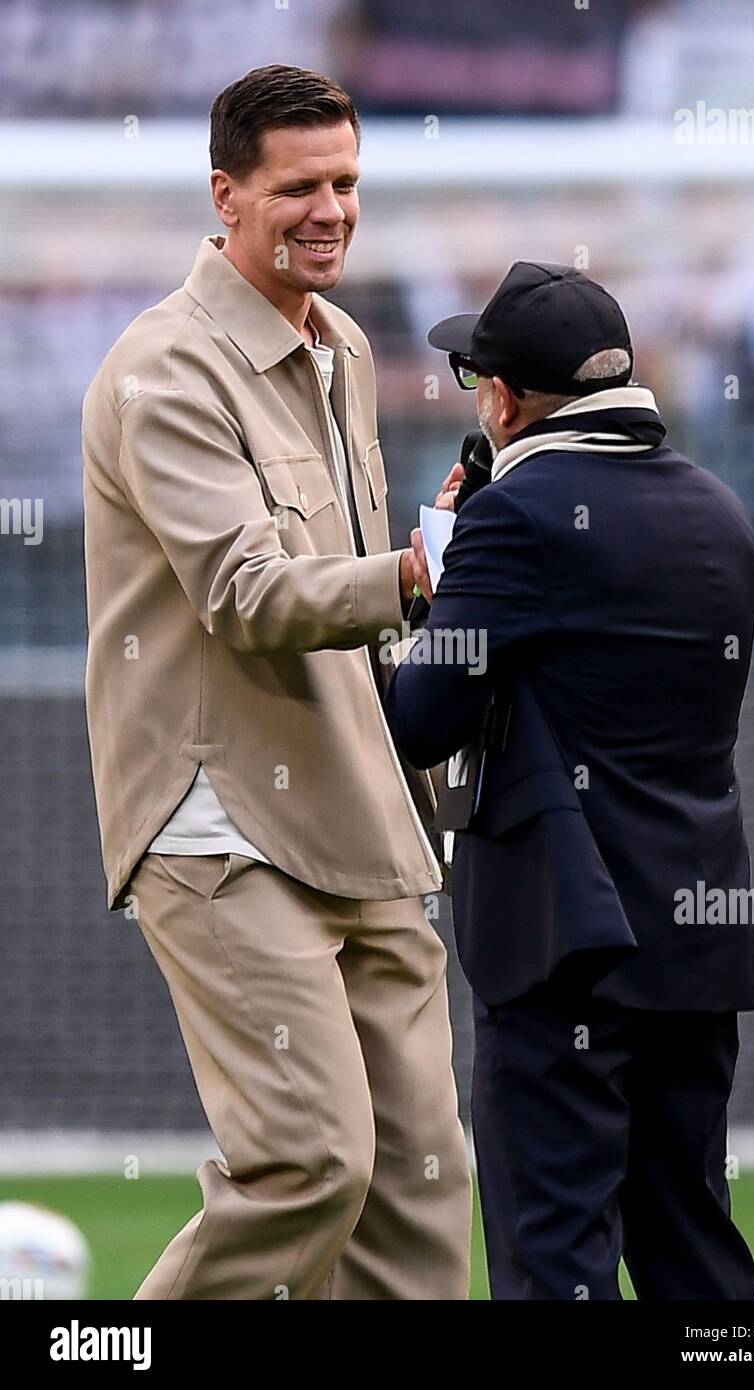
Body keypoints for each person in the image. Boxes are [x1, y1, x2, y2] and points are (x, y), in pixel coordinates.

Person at [81, 64, 472, 1300]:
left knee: (416, 1190)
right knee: (308, 1163)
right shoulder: (164, 372)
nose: (331, 210)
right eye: (299, 186)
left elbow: (354, 591)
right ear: (225, 195)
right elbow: (248, 594)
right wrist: (413, 570)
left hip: (364, 812)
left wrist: (431, 767)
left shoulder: (344, 343)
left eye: (347, 181)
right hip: (221, 825)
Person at [385, 260, 754, 1300]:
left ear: (504, 400)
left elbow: (422, 717)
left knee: (554, 1256)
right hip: (696, 934)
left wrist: (452, 565)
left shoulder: (514, 519)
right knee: (694, 1247)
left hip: (562, 942)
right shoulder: (719, 511)